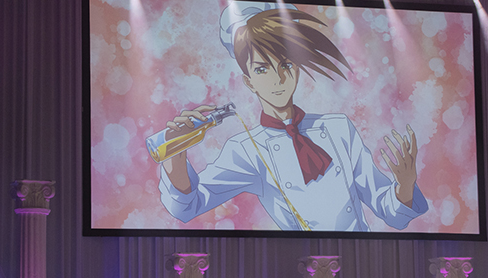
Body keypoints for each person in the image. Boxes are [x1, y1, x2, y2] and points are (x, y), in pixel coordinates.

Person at [158, 3, 428, 232]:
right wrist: (174, 154)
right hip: (299, 258)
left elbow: (389, 210)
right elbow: (189, 206)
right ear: (249, 81)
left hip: (358, 255)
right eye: (262, 69)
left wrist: (405, 185)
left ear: (297, 69)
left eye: (286, 65)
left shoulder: (338, 128)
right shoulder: (246, 150)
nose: (278, 78)